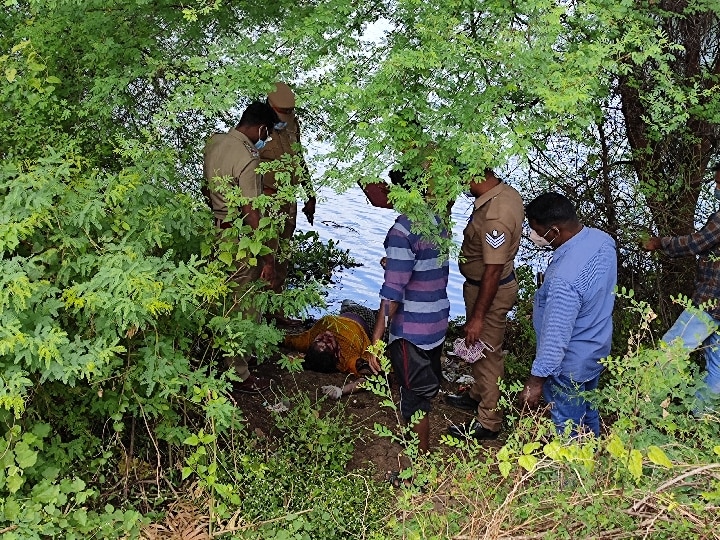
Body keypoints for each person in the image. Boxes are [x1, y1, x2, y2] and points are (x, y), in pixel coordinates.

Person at [520, 192, 617, 437]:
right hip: (597, 349)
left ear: (554, 230)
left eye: (536, 230)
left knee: (568, 426)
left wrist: (535, 382)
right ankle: (593, 458)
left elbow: (555, 339)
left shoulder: (564, 280)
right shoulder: (602, 241)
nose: (533, 236)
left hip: (569, 365)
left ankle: (573, 473)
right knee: (588, 411)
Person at [368, 175, 451, 454]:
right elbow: (425, 266)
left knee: (413, 399)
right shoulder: (436, 220)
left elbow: (392, 294)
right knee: (424, 389)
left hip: (411, 331)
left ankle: (419, 466)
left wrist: (376, 342)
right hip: (436, 321)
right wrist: (393, 264)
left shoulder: (401, 232)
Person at [203, 101, 280, 394]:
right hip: (238, 239)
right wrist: (267, 257)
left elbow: (206, 189)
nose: (266, 139)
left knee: (221, 298)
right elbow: (252, 212)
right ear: (261, 128)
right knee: (242, 305)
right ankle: (240, 373)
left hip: (217, 231)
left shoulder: (215, 142)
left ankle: (220, 358)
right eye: (267, 133)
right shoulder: (249, 158)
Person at [447, 169, 524, 441]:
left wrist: (478, 317)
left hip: (489, 291)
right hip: (484, 287)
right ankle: (477, 395)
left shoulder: (495, 216)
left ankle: (489, 421)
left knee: (487, 353)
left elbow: (492, 270)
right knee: (480, 350)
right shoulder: (505, 194)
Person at [641, 163, 720, 404]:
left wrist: (659, 242)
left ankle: (642, 409)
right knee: (717, 368)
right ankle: (701, 419)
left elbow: (696, 243)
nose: (716, 188)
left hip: (710, 302)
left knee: (670, 351)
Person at [260, 82, 316, 325]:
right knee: (265, 258)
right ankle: (257, 316)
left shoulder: (293, 124)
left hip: (288, 199)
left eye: (290, 113)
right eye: (282, 113)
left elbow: (299, 157)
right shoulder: (257, 127)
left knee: (282, 257)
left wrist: (309, 194)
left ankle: (277, 314)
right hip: (265, 199)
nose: (287, 118)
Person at [283, 300, 378, 397]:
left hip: (345, 312)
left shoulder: (306, 340)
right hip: (365, 318)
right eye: (328, 344)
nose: (326, 335)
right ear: (336, 353)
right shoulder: (348, 359)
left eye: (319, 339)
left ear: (311, 344)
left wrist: (294, 358)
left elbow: (282, 339)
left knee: (346, 302)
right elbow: (372, 378)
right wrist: (341, 391)